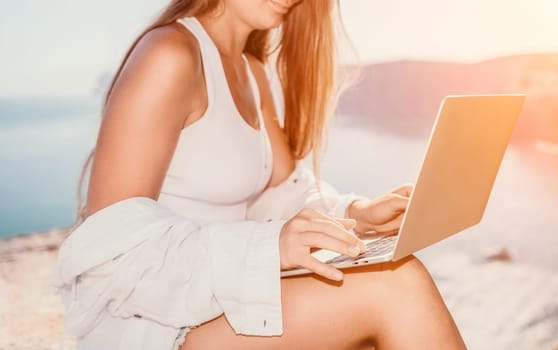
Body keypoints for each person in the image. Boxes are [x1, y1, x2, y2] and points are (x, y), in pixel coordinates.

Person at [65, 0, 466, 348]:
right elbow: (108, 251)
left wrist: (357, 215)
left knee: (389, 278)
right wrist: (266, 247)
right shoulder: (170, 54)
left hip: (218, 303)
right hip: (151, 326)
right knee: (396, 286)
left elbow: (283, 193)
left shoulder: (250, 70)